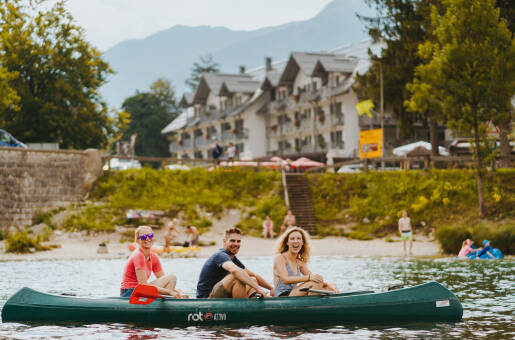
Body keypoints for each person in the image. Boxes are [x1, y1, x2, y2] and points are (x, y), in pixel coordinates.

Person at [196, 227, 273, 298]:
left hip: (222, 296)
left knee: (252, 279)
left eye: (238, 241)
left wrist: (271, 288)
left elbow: (252, 274)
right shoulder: (220, 255)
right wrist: (258, 288)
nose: (236, 244)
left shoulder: (233, 259)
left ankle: (256, 304)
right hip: (206, 299)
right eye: (232, 241)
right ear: (224, 241)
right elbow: (234, 271)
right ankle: (242, 310)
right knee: (237, 277)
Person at [120, 225, 188, 298]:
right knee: (171, 277)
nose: (147, 238)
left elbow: (164, 280)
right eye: (143, 237)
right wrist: (170, 292)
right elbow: (143, 286)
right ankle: (165, 301)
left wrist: (179, 292)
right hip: (129, 292)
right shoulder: (138, 255)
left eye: (150, 235)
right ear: (137, 240)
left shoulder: (153, 257)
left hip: (140, 290)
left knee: (171, 278)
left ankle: (165, 303)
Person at [273, 227, 337, 296]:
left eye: (298, 238)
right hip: (282, 296)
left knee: (327, 286)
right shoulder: (280, 258)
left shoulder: (299, 262)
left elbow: (314, 278)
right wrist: (309, 277)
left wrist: (329, 285)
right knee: (315, 283)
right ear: (287, 242)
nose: (296, 241)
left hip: (294, 293)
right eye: (292, 239)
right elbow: (285, 280)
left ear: (302, 242)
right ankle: (312, 304)